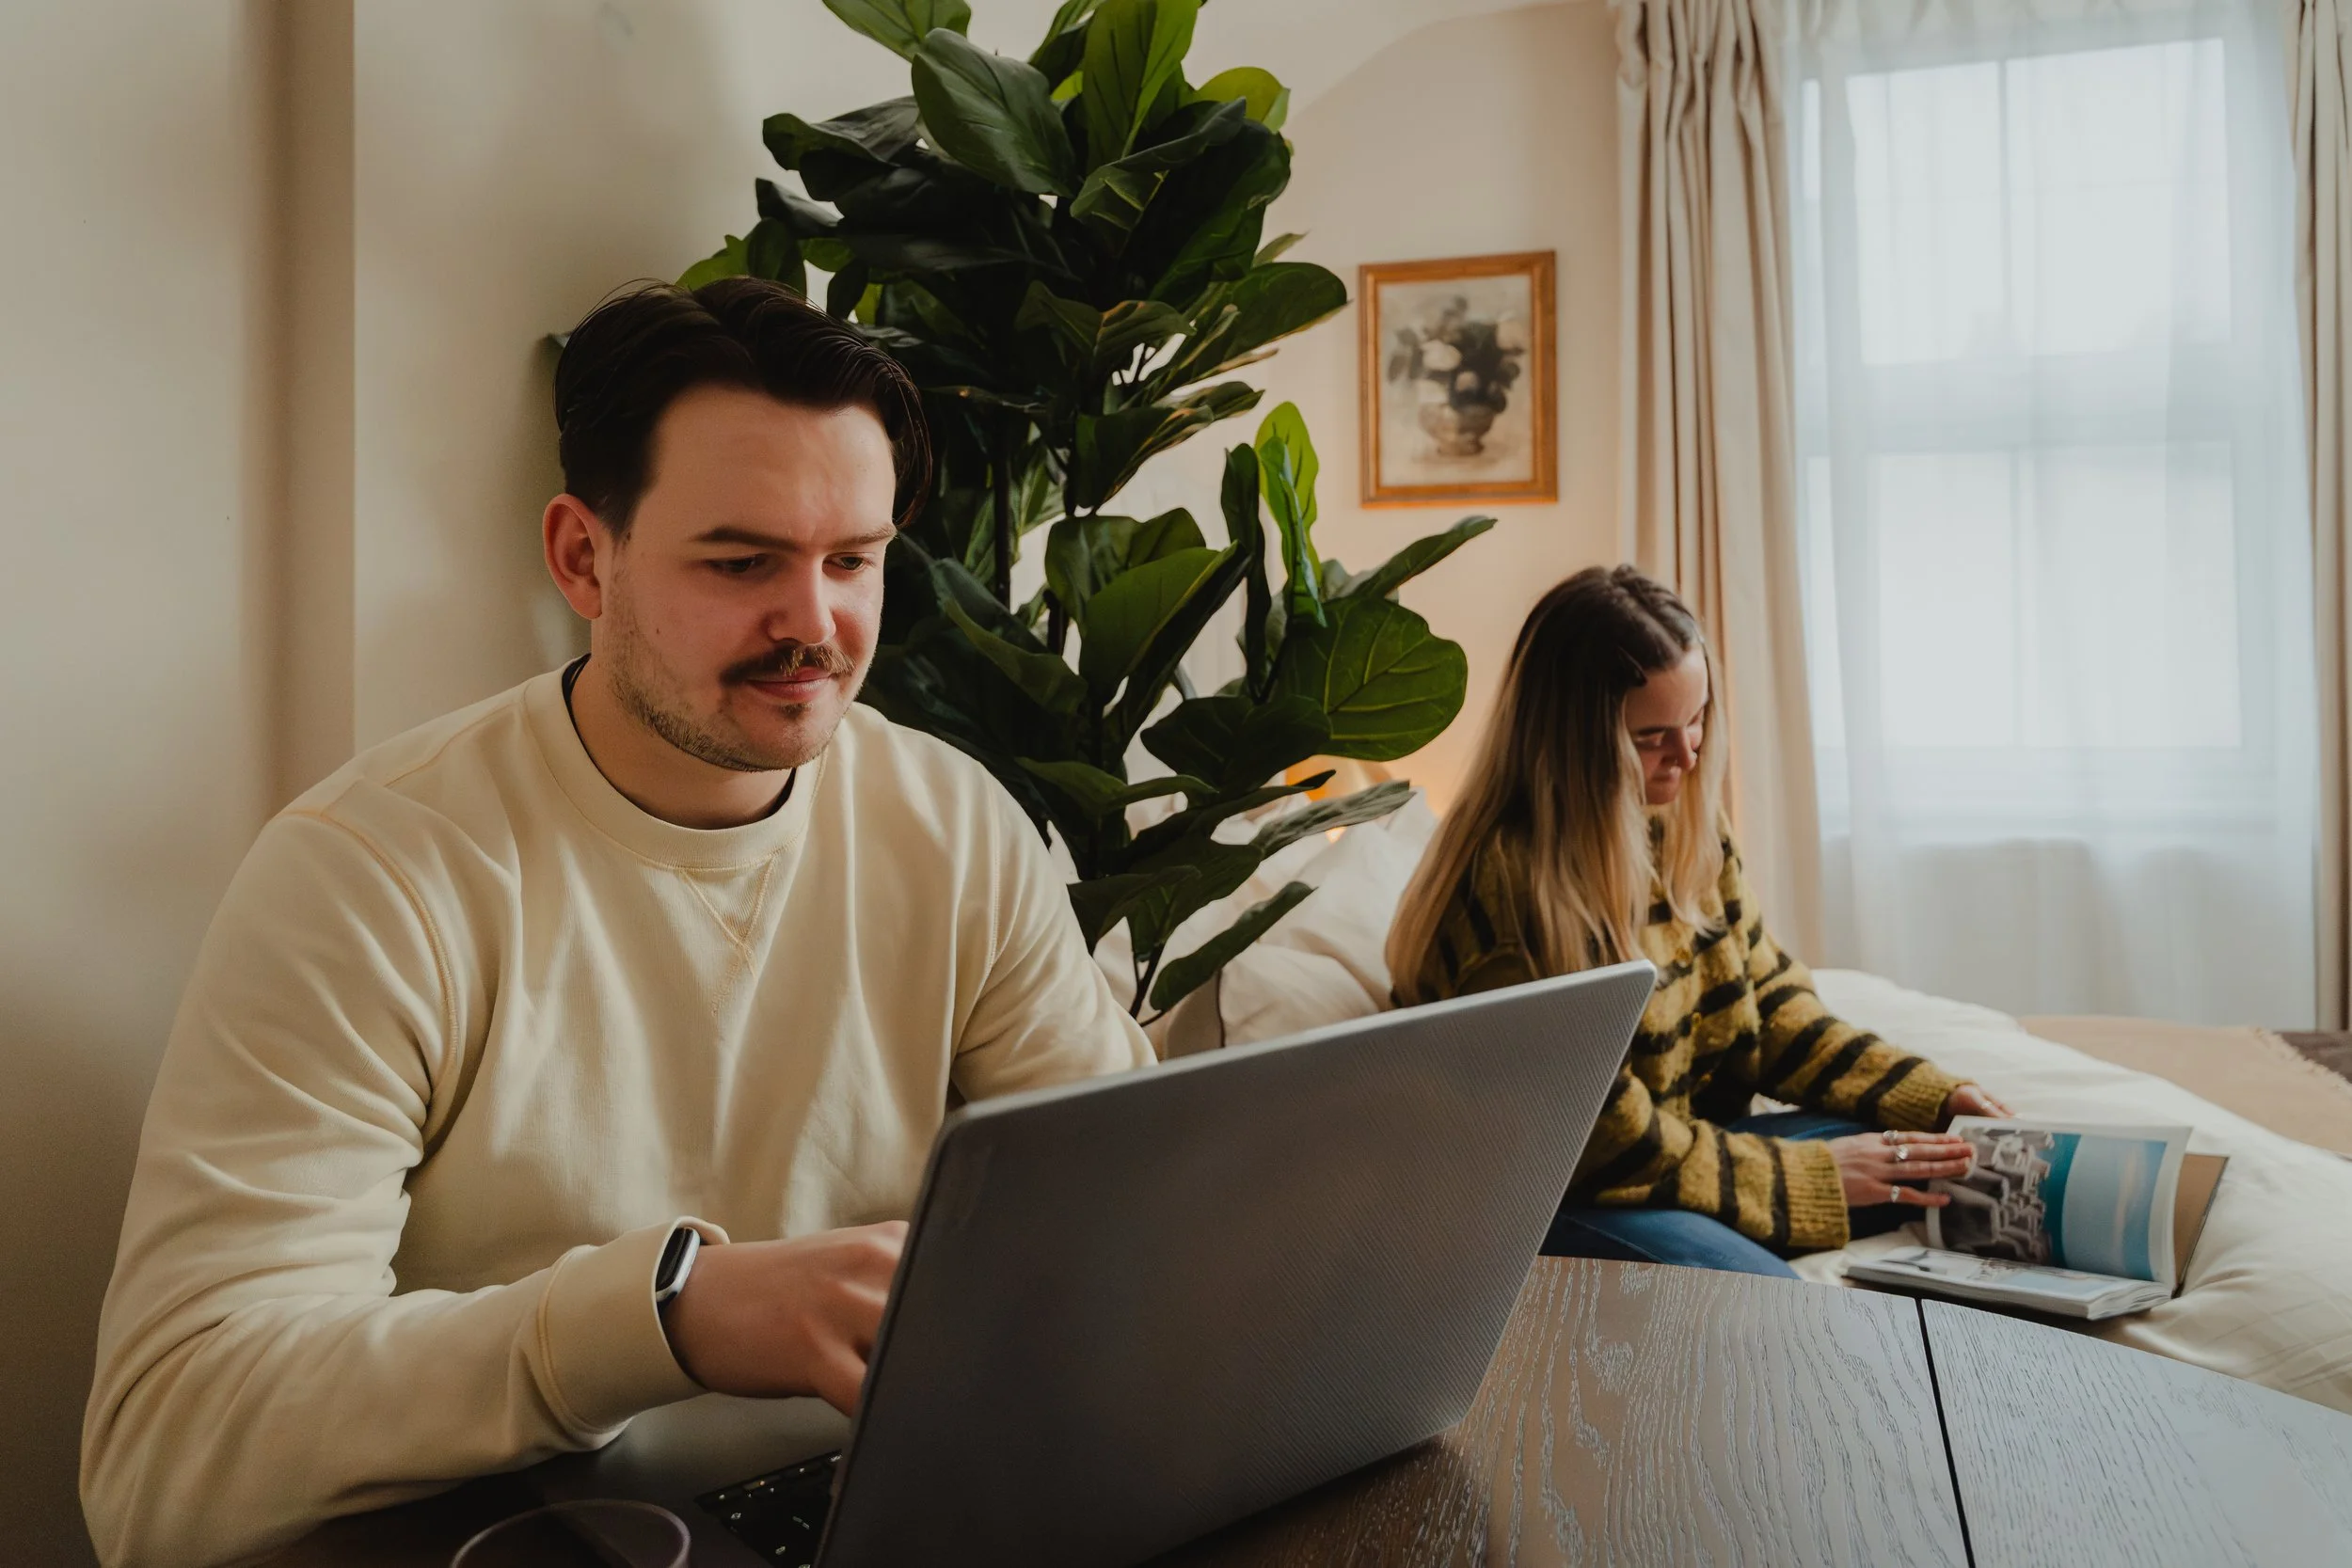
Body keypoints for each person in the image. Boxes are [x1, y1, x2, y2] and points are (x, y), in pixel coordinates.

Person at [80, 278, 1152, 1568]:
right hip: (527, 1537)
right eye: (741, 561)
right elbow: (166, 1464)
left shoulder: (954, 823)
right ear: (584, 555)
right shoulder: (368, 875)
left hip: (884, 1509)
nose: (815, 622)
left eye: (853, 559)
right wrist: (669, 1315)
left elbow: (1132, 1229)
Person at [1386, 565, 2010, 1277]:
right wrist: (1805, 1175)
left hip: (1676, 1147)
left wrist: (1927, 1093)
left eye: (1698, 717)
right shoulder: (1510, 888)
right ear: (1575, 743)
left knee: (1939, 1155)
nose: (1688, 755)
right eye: (1652, 737)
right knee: (1770, 1297)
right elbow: (1603, 1137)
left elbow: (1772, 1007)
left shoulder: (1683, 824)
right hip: (1553, 1198)